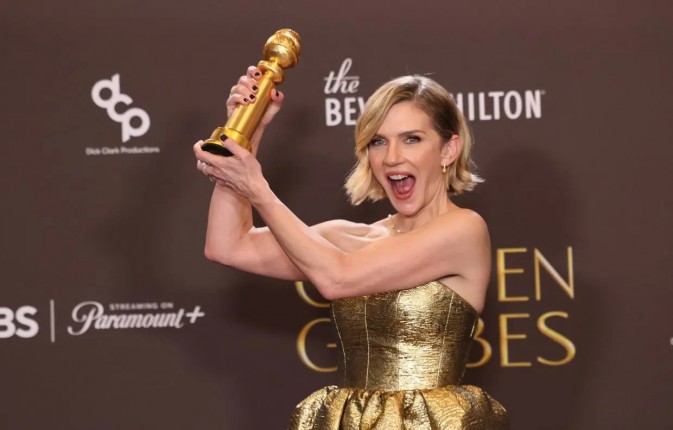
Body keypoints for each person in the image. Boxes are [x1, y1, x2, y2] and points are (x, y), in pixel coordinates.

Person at [193, 66, 508, 429]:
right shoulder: (350, 237)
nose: (391, 157)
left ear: (448, 149)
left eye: (411, 139)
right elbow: (228, 245)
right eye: (378, 141)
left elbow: (338, 278)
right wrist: (246, 134)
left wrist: (260, 191)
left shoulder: (464, 230)